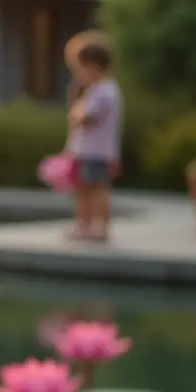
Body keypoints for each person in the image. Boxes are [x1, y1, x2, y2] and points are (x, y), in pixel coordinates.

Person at [64, 35, 123, 241]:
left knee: (97, 189)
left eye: (80, 68)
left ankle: (100, 227)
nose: (77, 74)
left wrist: (74, 103)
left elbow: (84, 117)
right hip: (86, 150)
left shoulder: (104, 91)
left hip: (96, 151)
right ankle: (84, 224)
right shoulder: (96, 91)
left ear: (94, 67)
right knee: (83, 190)